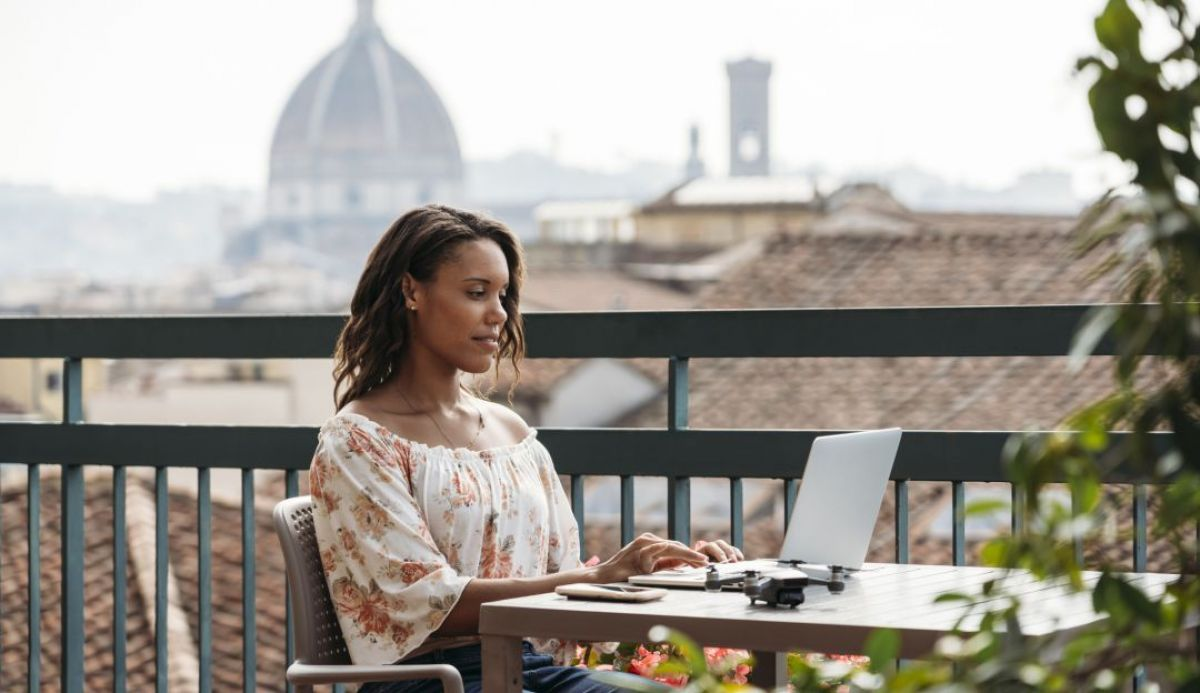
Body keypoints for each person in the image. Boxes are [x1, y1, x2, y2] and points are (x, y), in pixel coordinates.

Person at [309, 205, 743, 693]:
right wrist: (604, 576)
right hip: (431, 679)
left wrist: (663, 573)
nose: (498, 314)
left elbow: (561, 579)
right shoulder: (358, 440)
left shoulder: (512, 433)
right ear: (412, 291)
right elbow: (428, 602)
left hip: (530, 666)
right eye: (476, 293)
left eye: (503, 295)